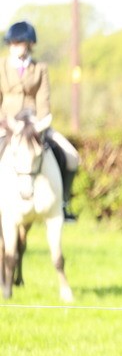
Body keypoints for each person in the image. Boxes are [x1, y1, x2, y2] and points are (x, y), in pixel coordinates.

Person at [0, 21, 80, 221]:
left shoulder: (40, 68)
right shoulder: (1, 66)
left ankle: (63, 204)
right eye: (14, 43)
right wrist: (6, 121)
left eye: (21, 43)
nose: (17, 47)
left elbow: (43, 99)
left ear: (29, 45)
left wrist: (39, 124)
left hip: (34, 124)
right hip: (7, 123)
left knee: (72, 156)